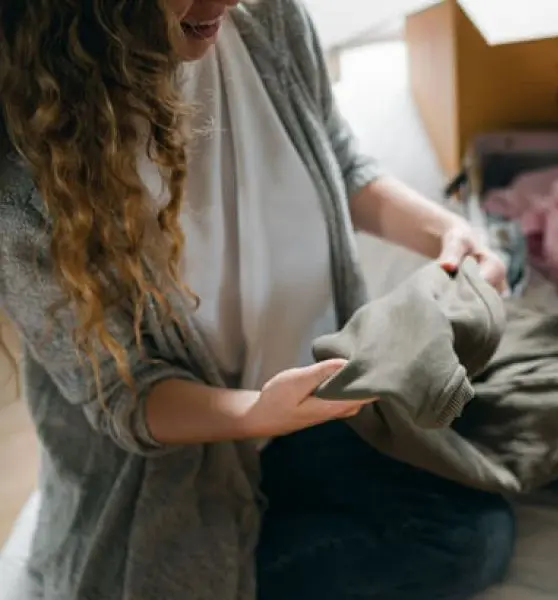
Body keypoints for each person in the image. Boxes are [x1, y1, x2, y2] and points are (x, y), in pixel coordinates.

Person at [0, 0, 516, 599]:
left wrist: (447, 235)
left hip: (317, 400)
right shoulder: (24, 177)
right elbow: (127, 396)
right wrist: (256, 413)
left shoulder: (264, 19)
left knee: (477, 528)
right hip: (180, 459)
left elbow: (340, 159)